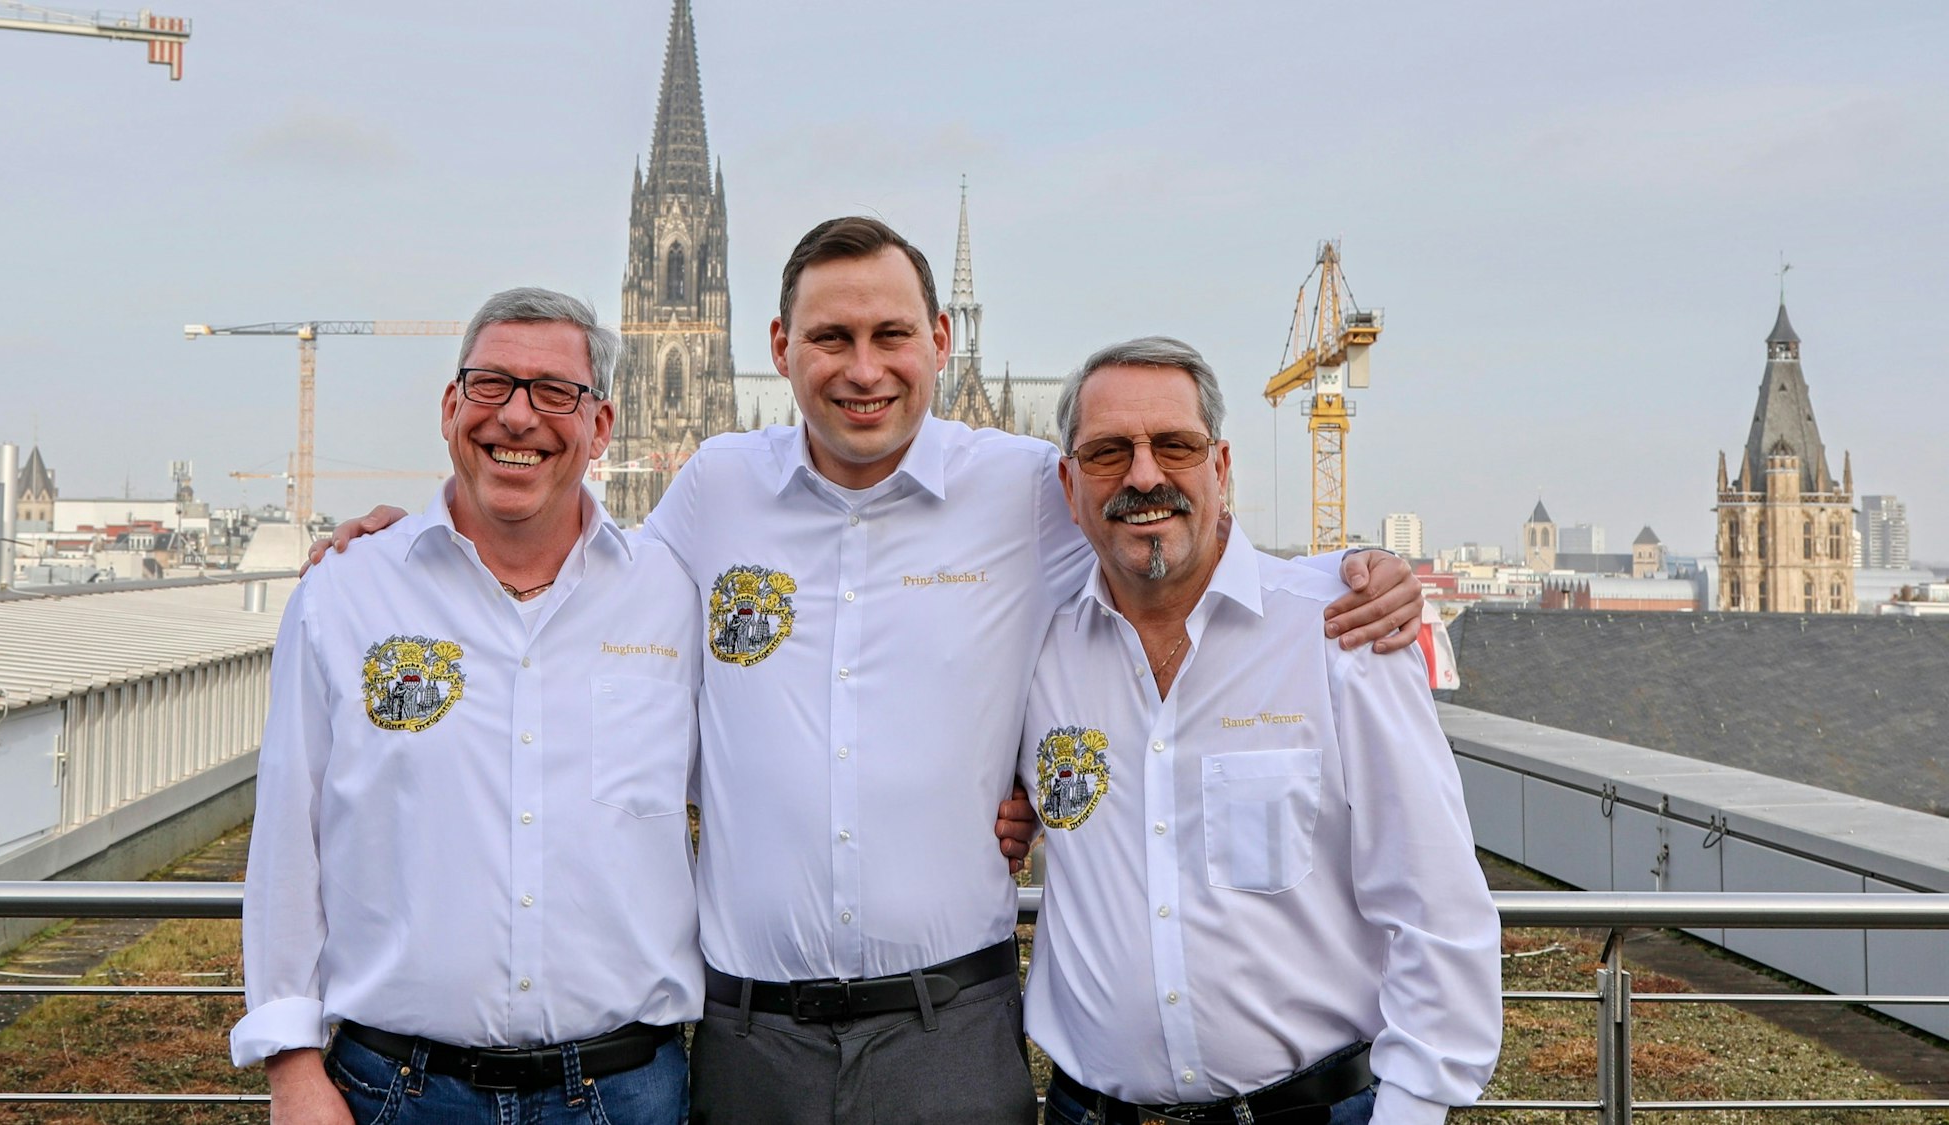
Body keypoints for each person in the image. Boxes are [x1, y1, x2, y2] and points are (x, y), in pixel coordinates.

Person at [315, 218, 1426, 1124]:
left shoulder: (1024, 487)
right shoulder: (713, 489)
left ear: (940, 340)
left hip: (948, 1028)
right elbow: (578, 589)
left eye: (890, 333)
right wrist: (428, 537)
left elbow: (1159, 523)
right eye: (829, 336)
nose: (862, 368)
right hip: (749, 1037)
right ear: (777, 345)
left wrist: (1347, 571)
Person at [234, 288, 702, 1124]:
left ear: (601, 427)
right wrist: (292, 1065)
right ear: (451, 408)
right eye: (491, 385)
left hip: (626, 1092)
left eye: (555, 391)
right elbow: (285, 842)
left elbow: (779, 754)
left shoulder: (672, 592)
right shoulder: (346, 593)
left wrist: (999, 801)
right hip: (394, 1091)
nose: (518, 416)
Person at [1023, 337, 1501, 1125]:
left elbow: (1437, 908)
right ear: (1068, 485)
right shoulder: (1036, 648)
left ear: (1222, 464)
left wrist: (1412, 1111)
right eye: (1109, 452)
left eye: (1174, 445)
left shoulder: (1338, 630)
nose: (1144, 475)